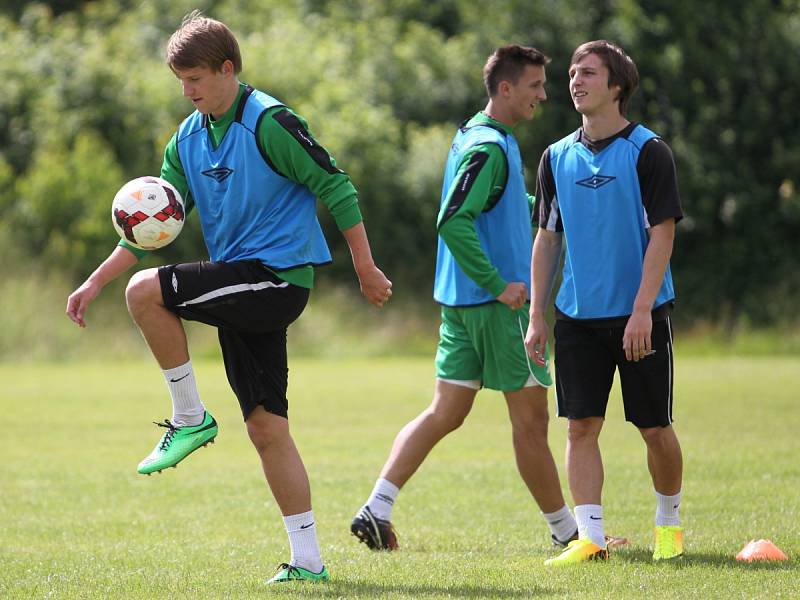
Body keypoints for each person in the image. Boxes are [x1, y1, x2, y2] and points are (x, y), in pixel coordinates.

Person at [66, 11, 392, 584]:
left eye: (195, 79)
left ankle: (189, 418)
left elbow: (335, 183)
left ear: (228, 69)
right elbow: (153, 226)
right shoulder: (187, 139)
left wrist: (364, 267)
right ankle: (308, 563)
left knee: (148, 293)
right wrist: (95, 280)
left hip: (278, 277)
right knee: (267, 427)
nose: (187, 92)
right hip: (243, 281)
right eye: (181, 82)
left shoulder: (270, 122)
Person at [350, 44, 581, 552]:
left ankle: (377, 506)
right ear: (505, 88)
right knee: (531, 424)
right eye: (535, 86)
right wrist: (500, 285)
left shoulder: (477, 137)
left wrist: (545, 209)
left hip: (459, 306)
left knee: (445, 412)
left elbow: (491, 205)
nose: (544, 94)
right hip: (498, 309)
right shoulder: (489, 146)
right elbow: (454, 220)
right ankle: (570, 536)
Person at [525, 40, 684, 565]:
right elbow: (548, 238)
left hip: (640, 314)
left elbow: (662, 235)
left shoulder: (648, 151)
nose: (575, 81)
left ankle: (669, 529)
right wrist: (537, 318)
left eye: (588, 73)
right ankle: (590, 539)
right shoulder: (555, 157)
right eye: (572, 73)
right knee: (579, 426)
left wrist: (642, 310)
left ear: (616, 86)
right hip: (577, 317)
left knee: (654, 428)